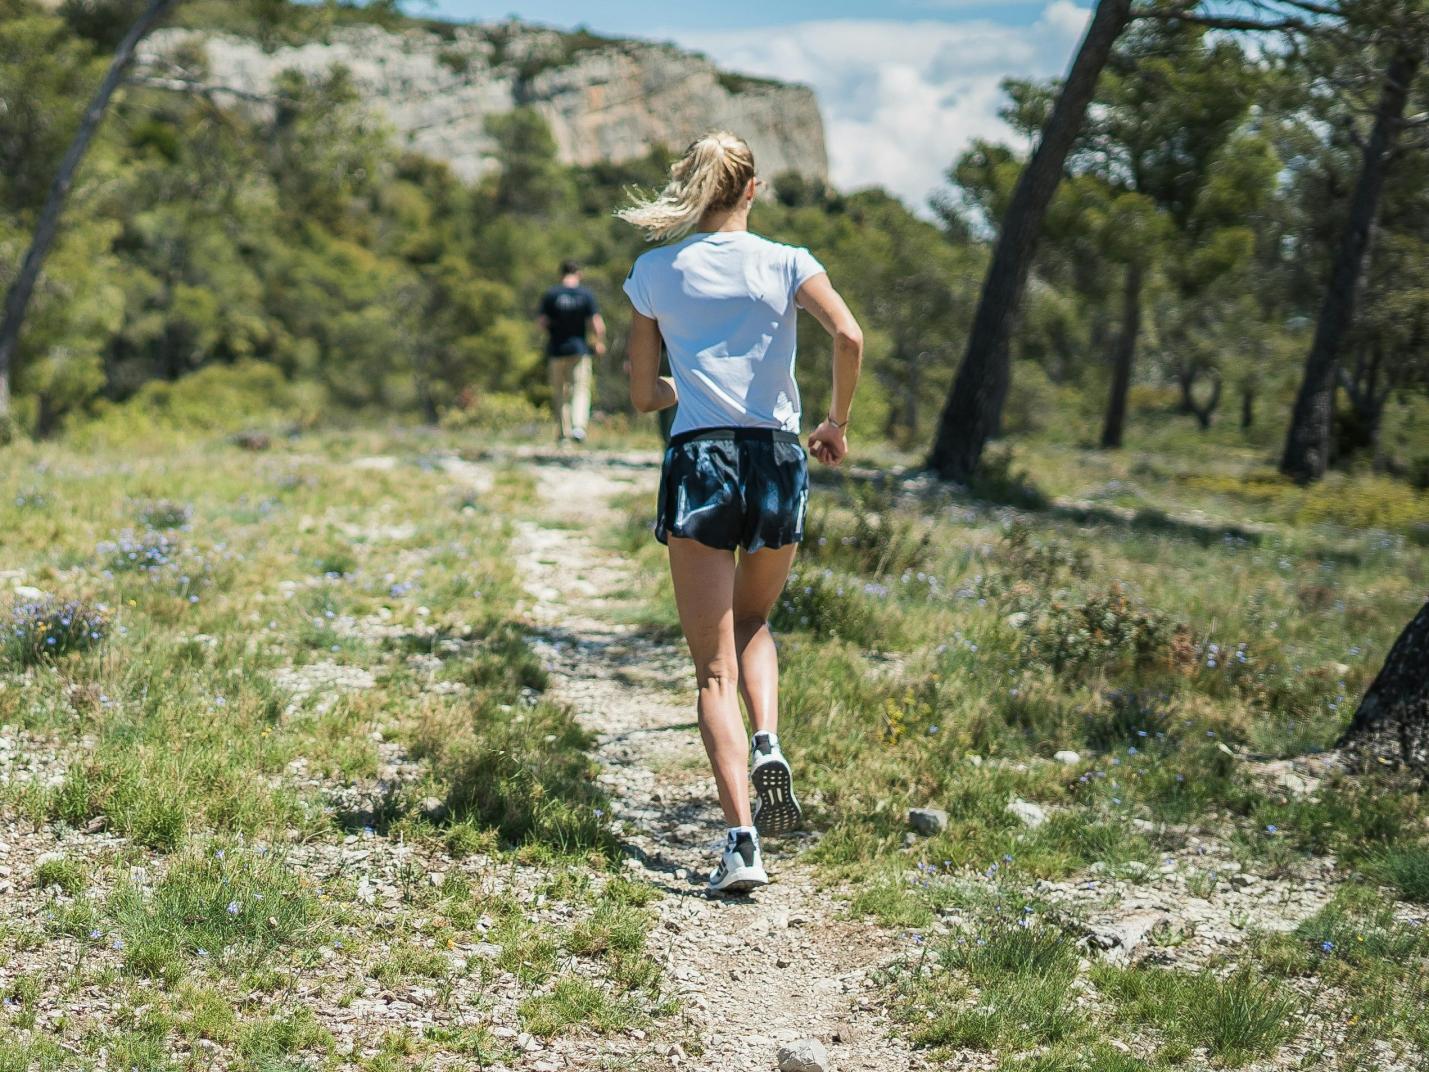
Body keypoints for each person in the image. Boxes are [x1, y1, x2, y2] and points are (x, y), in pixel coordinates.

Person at [617, 131, 864, 894]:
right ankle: (767, 739)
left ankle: (740, 843)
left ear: (688, 188)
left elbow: (639, 393)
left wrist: (682, 389)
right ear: (752, 189)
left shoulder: (655, 271)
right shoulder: (789, 261)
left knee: (710, 669)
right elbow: (848, 334)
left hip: (699, 461)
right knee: (756, 623)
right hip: (777, 458)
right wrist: (833, 423)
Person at [536, 259, 606, 443]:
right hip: (578, 350)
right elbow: (597, 325)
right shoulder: (585, 295)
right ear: (579, 274)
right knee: (580, 388)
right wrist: (598, 343)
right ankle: (578, 427)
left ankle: (562, 433)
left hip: (556, 349)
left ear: (561, 274)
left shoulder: (551, 295)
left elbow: (542, 323)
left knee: (560, 392)